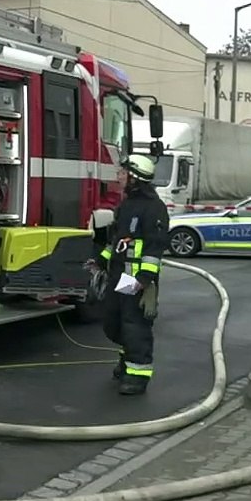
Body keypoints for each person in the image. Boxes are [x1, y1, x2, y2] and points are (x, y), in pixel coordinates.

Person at [88, 154, 170, 396]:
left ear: (135, 178)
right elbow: (117, 240)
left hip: (137, 281)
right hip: (120, 278)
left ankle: (138, 375)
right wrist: (101, 260)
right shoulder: (126, 205)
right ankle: (127, 361)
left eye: (123, 173)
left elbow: (155, 247)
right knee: (114, 323)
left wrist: (144, 278)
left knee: (136, 326)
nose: (119, 176)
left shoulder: (154, 208)